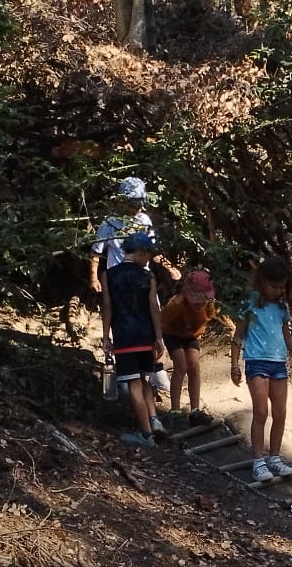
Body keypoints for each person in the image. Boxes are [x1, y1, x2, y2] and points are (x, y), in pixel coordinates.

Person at [230, 255, 292, 482]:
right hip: (256, 361)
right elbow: (238, 335)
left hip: (278, 364)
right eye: (273, 286)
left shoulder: (281, 307)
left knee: (280, 413)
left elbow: (287, 337)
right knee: (261, 411)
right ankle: (258, 461)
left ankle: (275, 458)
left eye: (281, 287)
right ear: (262, 281)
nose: (278, 291)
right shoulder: (250, 303)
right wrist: (234, 364)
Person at [90, 177, 174, 409]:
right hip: (118, 282)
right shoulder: (109, 224)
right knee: (122, 322)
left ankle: (156, 370)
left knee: (151, 319)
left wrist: (169, 267)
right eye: (134, 202)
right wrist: (94, 277)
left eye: (140, 201)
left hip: (142, 281)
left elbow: (153, 251)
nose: (138, 206)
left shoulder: (144, 220)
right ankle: (127, 374)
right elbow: (96, 252)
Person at [100, 231, 168, 448]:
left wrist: (106, 336)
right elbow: (154, 307)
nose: (148, 259)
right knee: (144, 379)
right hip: (146, 334)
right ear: (140, 252)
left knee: (134, 384)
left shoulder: (108, 275)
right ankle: (154, 419)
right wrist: (158, 337)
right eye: (147, 255)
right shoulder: (147, 276)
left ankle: (146, 435)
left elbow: (107, 306)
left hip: (124, 335)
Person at [160, 268, 222, 423]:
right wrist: (157, 344)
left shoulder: (209, 305)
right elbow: (161, 323)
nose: (199, 304)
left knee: (194, 367)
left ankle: (195, 410)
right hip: (172, 334)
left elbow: (209, 318)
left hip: (191, 335)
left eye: (202, 300)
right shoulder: (176, 304)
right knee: (181, 366)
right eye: (196, 301)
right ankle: (175, 409)